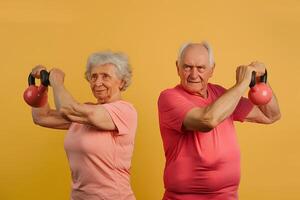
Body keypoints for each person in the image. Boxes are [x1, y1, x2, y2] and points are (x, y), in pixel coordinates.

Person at [157, 41, 281, 200]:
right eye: (187, 67)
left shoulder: (222, 95)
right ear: (178, 68)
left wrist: (261, 80)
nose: (194, 75)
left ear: (212, 70)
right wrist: (242, 83)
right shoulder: (169, 98)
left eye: (201, 68)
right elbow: (207, 120)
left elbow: (271, 114)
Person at [30, 51, 137, 200]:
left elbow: (68, 109)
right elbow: (42, 117)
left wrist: (56, 81)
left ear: (122, 81)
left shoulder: (124, 111)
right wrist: (41, 85)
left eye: (105, 76)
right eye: (94, 77)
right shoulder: (83, 113)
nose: (98, 82)